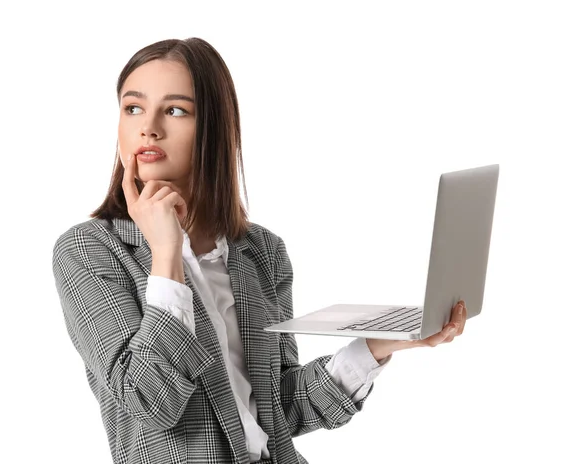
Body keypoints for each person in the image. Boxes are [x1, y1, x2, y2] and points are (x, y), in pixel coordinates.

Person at [52, 37, 467, 464]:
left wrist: (376, 345)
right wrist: (166, 255)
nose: (149, 127)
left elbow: (278, 410)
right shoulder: (90, 249)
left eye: (175, 110)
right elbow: (149, 400)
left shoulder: (260, 250)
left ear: (215, 127)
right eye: (133, 107)